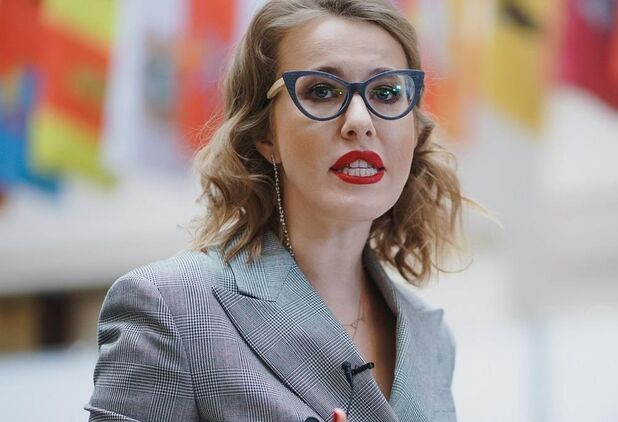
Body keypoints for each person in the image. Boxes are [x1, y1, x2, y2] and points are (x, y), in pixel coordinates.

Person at [86, 0, 466, 420]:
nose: (360, 121)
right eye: (322, 91)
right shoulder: (170, 307)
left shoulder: (431, 337)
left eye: (387, 92)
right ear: (266, 134)